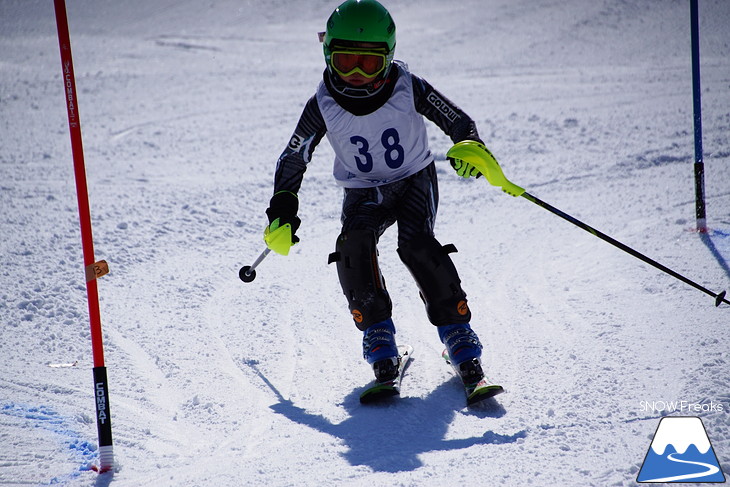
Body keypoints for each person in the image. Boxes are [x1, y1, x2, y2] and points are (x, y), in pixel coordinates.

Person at [264, 0, 496, 389]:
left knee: (418, 246)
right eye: (345, 61)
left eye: (368, 64)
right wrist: (283, 207)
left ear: (388, 58)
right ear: (327, 54)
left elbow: (455, 119)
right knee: (353, 247)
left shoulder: (407, 85)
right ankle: (379, 337)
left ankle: (457, 334)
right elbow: (294, 156)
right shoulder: (322, 103)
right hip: (363, 189)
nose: (355, 74)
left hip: (414, 179)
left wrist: (468, 146)